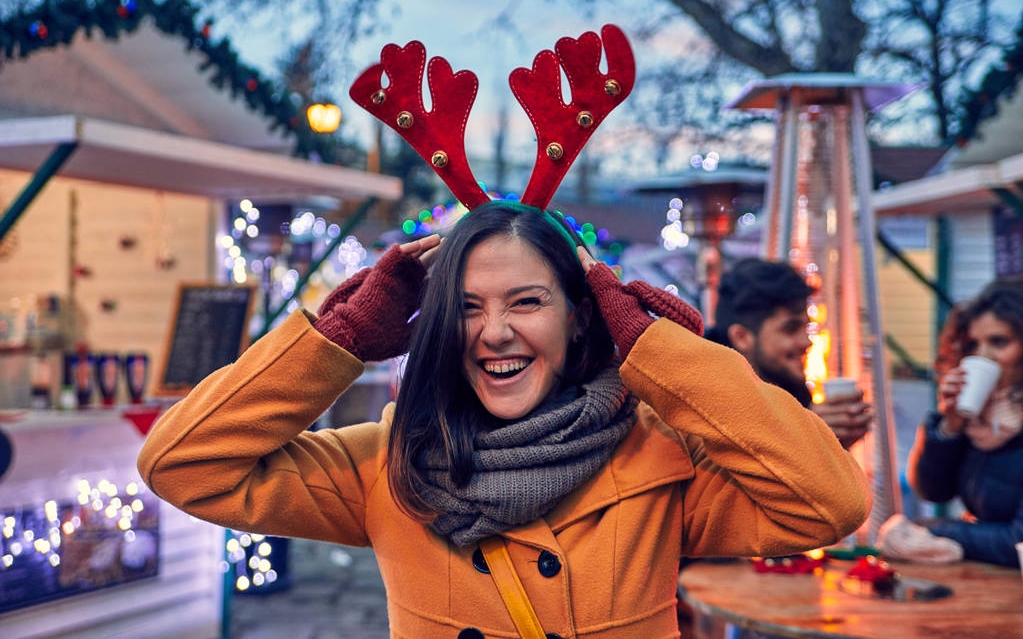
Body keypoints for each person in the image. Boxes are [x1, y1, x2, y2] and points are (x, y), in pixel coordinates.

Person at [137, 200, 870, 637]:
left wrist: (660, 351)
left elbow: (827, 502)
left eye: (526, 302)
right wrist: (339, 342)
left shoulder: (658, 462)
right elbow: (181, 463)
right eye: (466, 308)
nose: (494, 333)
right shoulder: (387, 467)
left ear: (583, 321)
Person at [881, 277, 1023, 568]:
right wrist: (949, 424)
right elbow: (934, 490)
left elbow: (1018, 541)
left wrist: (931, 531)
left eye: (999, 342)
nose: (982, 356)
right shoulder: (983, 418)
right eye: (972, 345)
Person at [704, 257, 874, 449]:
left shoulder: (792, 391)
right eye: (790, 328)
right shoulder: (705, 408)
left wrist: (837, 445)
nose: (807, 342)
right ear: (742, 337)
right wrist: (806, 437)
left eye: (806, 327)